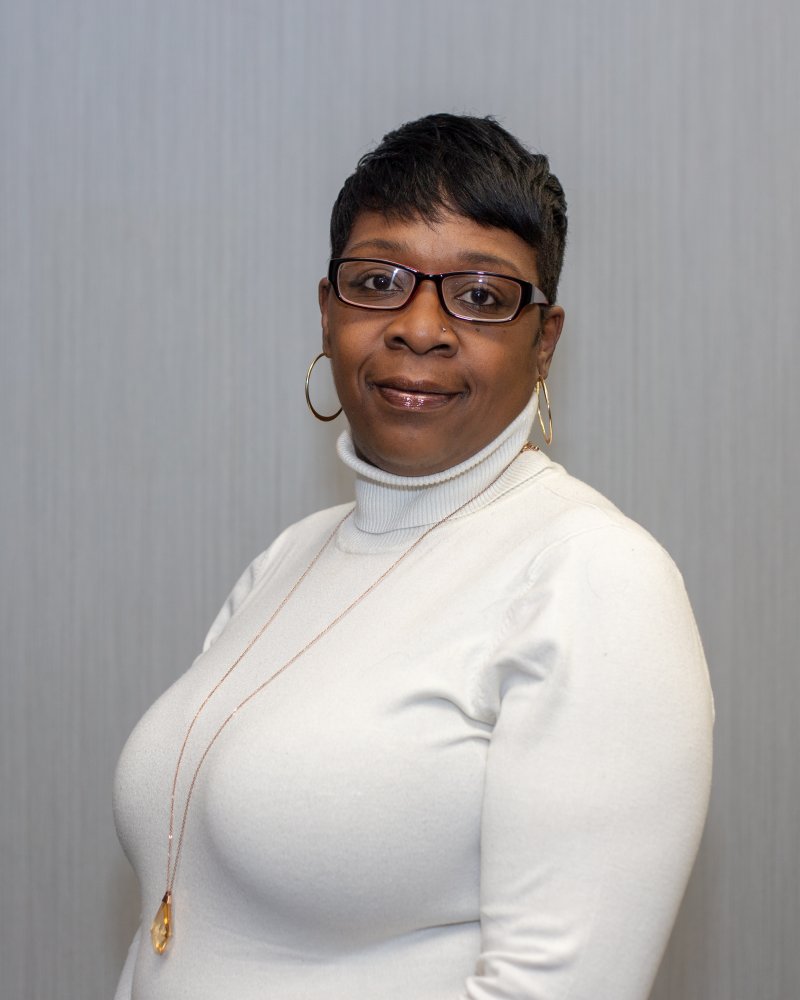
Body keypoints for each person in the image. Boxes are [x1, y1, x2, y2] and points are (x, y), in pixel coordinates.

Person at [112, 113, 713, 1000]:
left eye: (481, 295)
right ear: (328, 312)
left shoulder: (594, 576)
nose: (421, 327)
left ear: (543, 341)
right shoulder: (290, 557)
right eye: (379, 281)